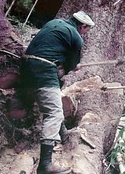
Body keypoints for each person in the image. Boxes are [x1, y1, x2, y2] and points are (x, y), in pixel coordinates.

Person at [19, 11, 95, 174]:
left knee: (54, 104)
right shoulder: (76, 36)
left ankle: (63, 133)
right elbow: (69, 66)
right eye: (86, 30)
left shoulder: (53, 23)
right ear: (83, 26)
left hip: (25, 67)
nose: (85, 33)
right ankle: (45, 165)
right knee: (54, 113)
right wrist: (74, 66)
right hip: (44, 70)